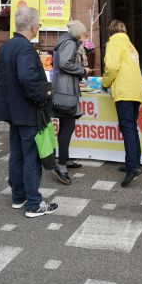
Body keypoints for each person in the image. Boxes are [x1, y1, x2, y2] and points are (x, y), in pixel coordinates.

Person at [0, 6, 58, 218]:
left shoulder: (7, 45)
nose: (38, 26)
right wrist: (43, 97)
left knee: (17, 155)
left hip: (13, 111)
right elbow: (27, 78)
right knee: (32, 157)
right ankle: (33, 204)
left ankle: (18, 197)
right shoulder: (24, 48)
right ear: (33, 26)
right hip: (27, 111)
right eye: (38, 23)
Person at [102, 19, 142, 187]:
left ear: (111, 31)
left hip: (124, 92)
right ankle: (134, 163)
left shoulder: (113, 43)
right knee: (131, 127)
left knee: (127, 128)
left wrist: (105, 83)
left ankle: (132, 167)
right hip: (136, 91)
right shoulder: (130, 45)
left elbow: (111, 67)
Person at [51, 20, 92, 183]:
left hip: (64, 87)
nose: (85, 36)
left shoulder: (66, 41)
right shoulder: (71, 43)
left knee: (67, 125)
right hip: (66, 90)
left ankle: (64, 159)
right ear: (77, 34)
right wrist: (83, 70)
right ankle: (61, 165)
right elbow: (65, 63)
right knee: (67, 126)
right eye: (84, 33)